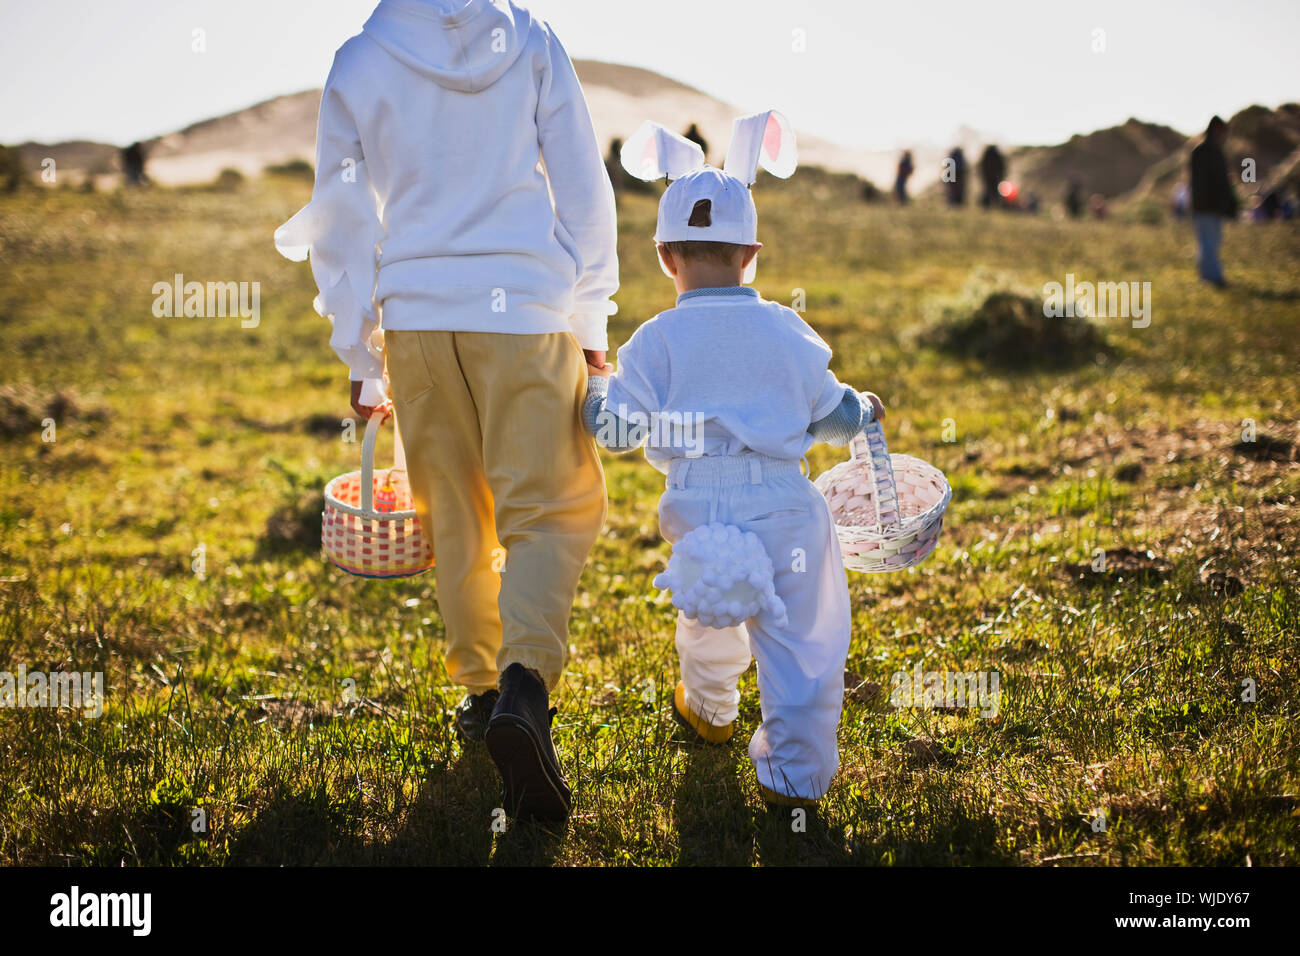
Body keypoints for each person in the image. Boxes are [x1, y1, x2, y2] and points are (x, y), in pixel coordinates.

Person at [274, 0, 618, 822]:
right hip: (527, 314)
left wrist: (359, 348)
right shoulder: (531, 39)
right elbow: (582, 185)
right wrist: (592, 314)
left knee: (454, 513)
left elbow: (341, 214)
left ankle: (477, 693)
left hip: (418, 318)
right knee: (552, 507)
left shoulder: (360, 59)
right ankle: (523, 687)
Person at [584, 114, 885, 808]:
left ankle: (711, 710)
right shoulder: (787, 330)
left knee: (710, 608)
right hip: (781, 504)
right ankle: (796, 778)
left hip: (699, 507)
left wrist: (591, 392)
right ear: (751, 254)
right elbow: (831, 416)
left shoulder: (655, 341)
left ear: (665, 256)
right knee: (804, 639)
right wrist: (864, 410)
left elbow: (618, 430)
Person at [1190, 115, 1238, 287]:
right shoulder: (1204, 152)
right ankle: (1214, 278)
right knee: (1208, 242)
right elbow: (1205, 183)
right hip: (1206, 207)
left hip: (1210, 207)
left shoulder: (1212, 151)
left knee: (1210, 242)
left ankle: (1206, 276)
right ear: (1215, 130)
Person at [978, 144, 1005, 208]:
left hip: (988, 177)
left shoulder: (986, 155)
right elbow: (1002, 167)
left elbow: (982, 167)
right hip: (995, 177)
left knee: (989, 190)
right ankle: (995, 205)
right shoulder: (997, 155)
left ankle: (988, 205)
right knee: (994, 191)